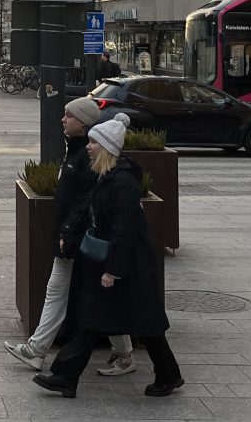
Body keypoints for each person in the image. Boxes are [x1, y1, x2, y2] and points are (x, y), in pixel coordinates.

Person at [32, 113, 182, 399]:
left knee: (144, 326)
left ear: (107, 147)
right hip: (119, 264)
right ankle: (65, 377)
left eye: (93, 142)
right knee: (95, 320)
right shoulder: (108, 177)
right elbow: (86, 207)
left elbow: (125, 230)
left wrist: (113, 270)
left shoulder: (123, 183)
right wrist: (68, 230)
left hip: (129, 268)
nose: (88, 146)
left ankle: (168, 375)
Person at [3, 98, 136, 376]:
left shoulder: (88, 158)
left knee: (91, 297)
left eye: (69, 116)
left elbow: (88, 203)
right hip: (73, 237)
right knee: (61, 293)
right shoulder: (77, 152)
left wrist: (68, 233)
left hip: (81, 240)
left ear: (85, 123)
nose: (63, 120)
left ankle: (120, 355)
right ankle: (38, 350)